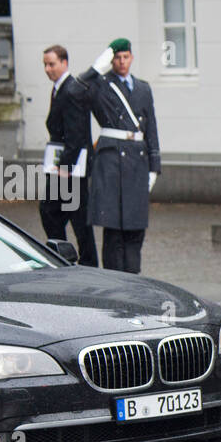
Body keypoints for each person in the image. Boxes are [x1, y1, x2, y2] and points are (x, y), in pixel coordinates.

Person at [77, 38, 161, 273]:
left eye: (125, 57)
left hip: (137, 161)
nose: (122, 62)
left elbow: (151, 128)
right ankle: (115, 281)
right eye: (117, 58)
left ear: (132, 58)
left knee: (135, 228)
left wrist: (154, 166)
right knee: (113, 230)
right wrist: (95, 69)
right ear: (111, 60)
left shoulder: (143, 88)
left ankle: (133, 278)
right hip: (111, 161)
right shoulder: (100, 85)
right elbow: (75, 91)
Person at [41, 44, 97, 266]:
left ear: (64, 63)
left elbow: (76, 135)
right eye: (45, 64)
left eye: (52, 64)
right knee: (63, 213)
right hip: (67, 167)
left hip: (70, 169)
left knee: (66, 214)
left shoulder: (71, 90)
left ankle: (73, 260)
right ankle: (68, 258)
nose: (47, 69)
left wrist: (64, 167)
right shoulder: (60, 89)